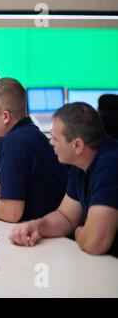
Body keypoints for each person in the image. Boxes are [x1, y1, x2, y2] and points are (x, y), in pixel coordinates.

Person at [10, 103, 118, 257]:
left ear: (77, 145)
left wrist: (79, 231)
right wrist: (36, 226)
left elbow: (95, 243)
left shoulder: (110, 166)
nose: (50, 142)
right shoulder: (81, 162)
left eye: (55, 138)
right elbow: (66, 217)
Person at [0, 78, 68, 222]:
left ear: (5, 116)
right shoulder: (24, 133)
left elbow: (10, 212)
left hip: (50, 237)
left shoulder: (16, 142)